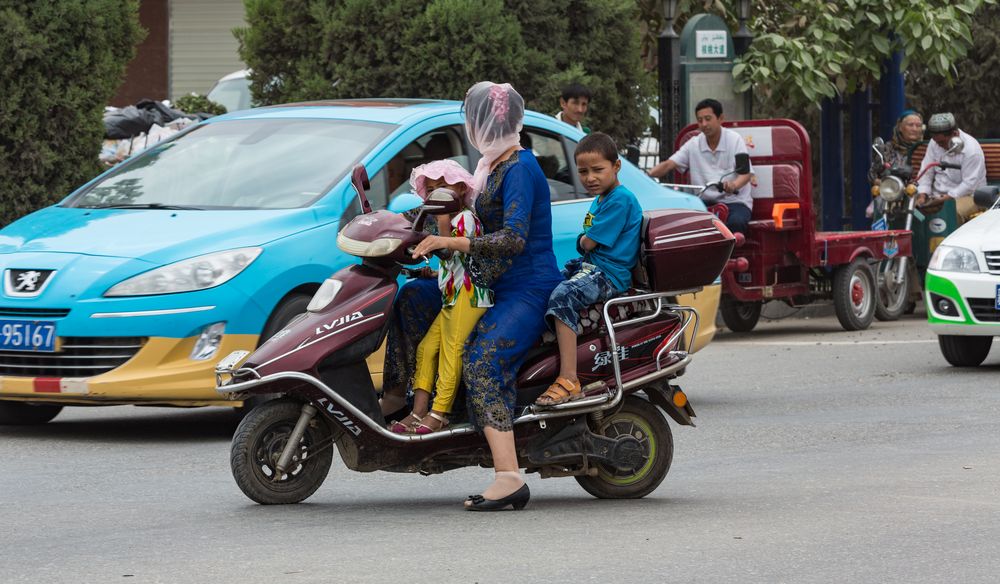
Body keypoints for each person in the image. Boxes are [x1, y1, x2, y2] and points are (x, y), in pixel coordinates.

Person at [382, 81, 563, 511]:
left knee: (482, 357)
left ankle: (508, 475)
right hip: (484, 281)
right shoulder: (486, 168)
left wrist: (449, 246)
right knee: (414, 300)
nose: (472, 126)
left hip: (527, 287)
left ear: (485, 123)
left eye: (474, 119)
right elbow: (457, 214)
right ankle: (401, 403)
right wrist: (393, 225)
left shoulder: (519, 169)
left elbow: (513, 238)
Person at [535, 132, 641, 406]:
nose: (590, 178)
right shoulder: (601, 199)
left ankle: (569, 378)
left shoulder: (620, 199)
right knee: (543, 289)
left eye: (598, 170)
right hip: (594, 267)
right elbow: (586, 241)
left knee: (562, 296)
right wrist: (584, 242)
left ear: (616, 167)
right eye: (583, 172)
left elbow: (589, 240)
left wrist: (584, 241)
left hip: (609, 275)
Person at [389, 160, 492, 435]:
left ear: (460, 187)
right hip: (452, 296)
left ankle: (440, 413)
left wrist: (442, 221)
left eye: (443, 187)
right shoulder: (449, 219)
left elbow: (449, 250)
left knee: (450, 351)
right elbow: (451, 265)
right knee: (426, 349)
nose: (437, 195)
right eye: (432, 190)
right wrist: (430, 273)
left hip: (470, 297)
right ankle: (418, 411)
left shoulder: (465, 219)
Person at [647, 98, 753, 234]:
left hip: (734, 202)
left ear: (721, 118)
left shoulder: (734, 140)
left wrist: (733, 185)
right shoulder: (693, 144)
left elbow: (745, 174)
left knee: (735, 222)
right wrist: (647, 175)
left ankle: (730, 254)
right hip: (702, 203)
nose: (704, 124)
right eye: (700, 120)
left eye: (708, 119)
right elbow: (669, 164)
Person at [916, 112, 986, 224]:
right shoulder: (935, 143)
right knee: (910, 210)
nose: (938, 145)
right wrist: (922, 194)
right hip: (936, 196)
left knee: (951, 214)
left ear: (955, 134)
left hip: (968, 197)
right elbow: (926, 171)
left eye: (942, 142)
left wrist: (945, 198)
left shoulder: (972, 150)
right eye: (936, 141)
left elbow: (969, 185)